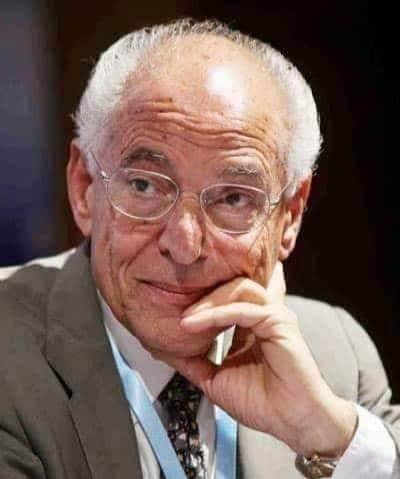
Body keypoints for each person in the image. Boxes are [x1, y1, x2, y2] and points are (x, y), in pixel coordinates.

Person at [0, 18, 399, 479]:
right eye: (146, 186)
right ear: (84, 187)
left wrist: (326, 436)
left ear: (289, 216)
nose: (185, 245)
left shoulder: (335, 356)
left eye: (233, 198)